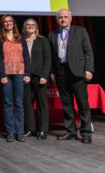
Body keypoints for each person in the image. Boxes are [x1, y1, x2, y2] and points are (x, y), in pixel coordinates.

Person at [48, 9, 94, 144]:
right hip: (61, 72)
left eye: (65, 17)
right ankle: (71, 132)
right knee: (66, 104)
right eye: (60, 17)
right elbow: (51, 56)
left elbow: (88, 52)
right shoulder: (52, 35)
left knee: (82, 104)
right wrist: (51, 72)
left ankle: (86, 133)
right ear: (57, 20)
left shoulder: (80, 31)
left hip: (78, 72)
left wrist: (89, 69)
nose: (63, 19)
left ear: (71, 18)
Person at [0, 15, 31, 142]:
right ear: (2, 24)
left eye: (10, 21)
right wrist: (2, 75)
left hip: (20, 73)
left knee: (19, 103)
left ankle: (19, 132)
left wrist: (28, 74)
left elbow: (26, 56)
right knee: (8, 103)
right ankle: (10, 132)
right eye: (5, 22)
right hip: (6, 74)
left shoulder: (21, 38)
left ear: (14, 23)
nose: (8, 23)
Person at [22, 19, 51, 140]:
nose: (30, 26)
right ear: (24, 27)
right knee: (26, 103)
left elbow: (48, 58)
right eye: (28, 25)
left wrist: (44, 75)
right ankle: (30, 129)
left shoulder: (42, 40)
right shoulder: (21, 40)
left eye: (32, 25)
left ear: (36, 27)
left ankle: (43, 130)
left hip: (39, 76)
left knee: (41, 103)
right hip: (25, 76)